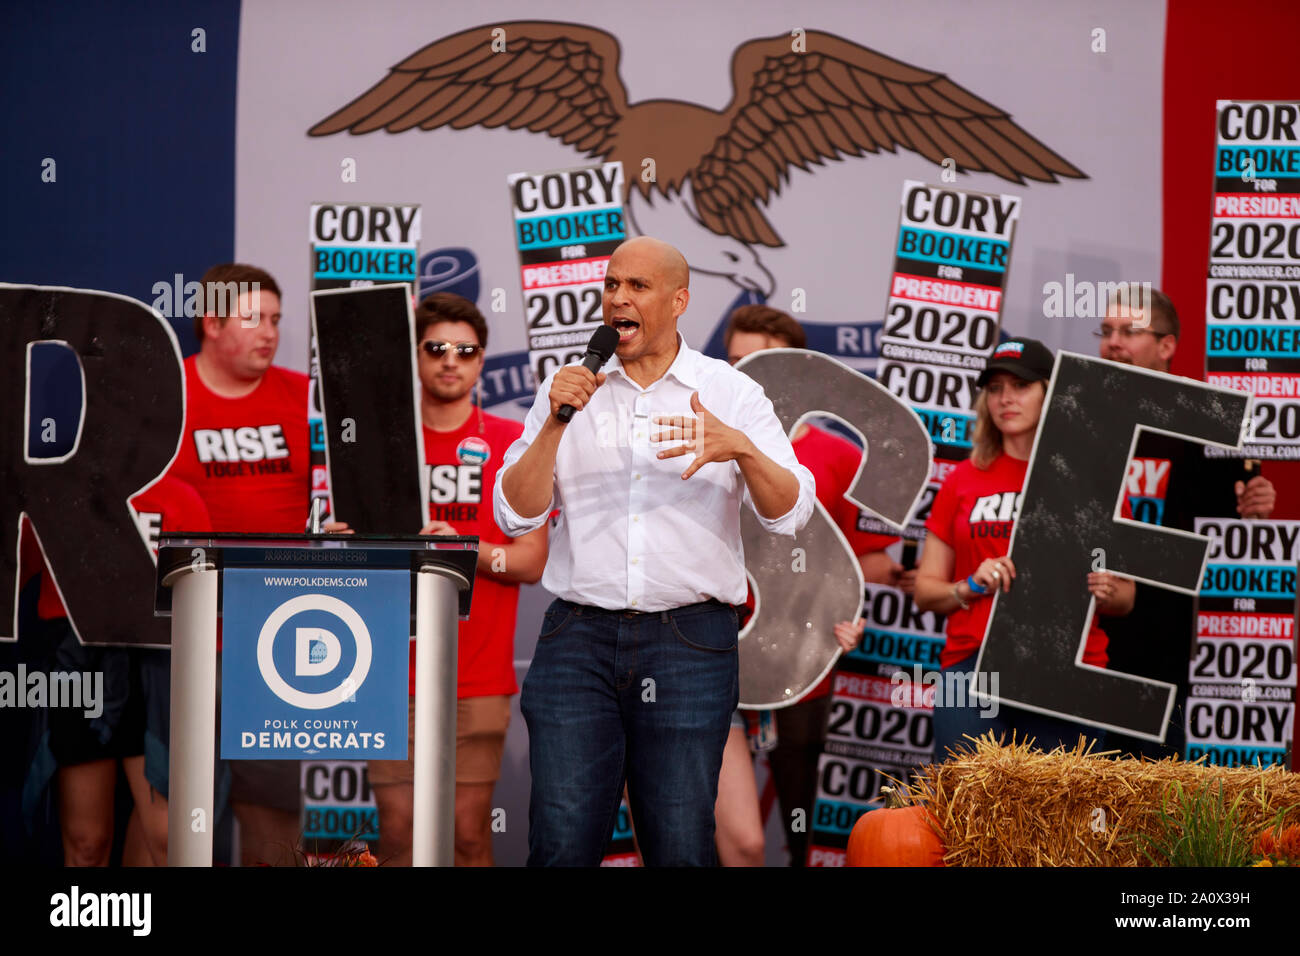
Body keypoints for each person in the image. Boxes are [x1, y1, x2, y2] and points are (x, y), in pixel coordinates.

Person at [494, 236, 815, 866]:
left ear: (679, 300)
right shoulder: (568, 388)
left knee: (679, 844)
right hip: (577, 642)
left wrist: (742, 449)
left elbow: (791, 513)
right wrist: (558, 420)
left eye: (637, 286)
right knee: (559, 841)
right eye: (612, 284)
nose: (618, 297)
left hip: (688, 644)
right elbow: (516, 512)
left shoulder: (729, 393)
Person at [342, 292, 548, 866]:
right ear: (415, 357)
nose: (450, 360)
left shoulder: (514, 445)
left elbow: (530, 562)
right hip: (385, 670)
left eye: (466, 350)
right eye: (436, 348)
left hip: (478, 672)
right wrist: (340, 541)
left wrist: (462, 548)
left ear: (482, 361)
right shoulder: (373, 443)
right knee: (400, 833)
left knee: (467, 835)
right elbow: (349, 563)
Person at [718, 305, 900, 867]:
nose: (744, 374)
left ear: (795, 366)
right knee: (702, 817)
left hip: (801, 656)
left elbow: (873, 563)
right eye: (734, 361)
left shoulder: (840, 454)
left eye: (760, 361)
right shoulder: (703, 440)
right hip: (706, 646)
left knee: (799, 810)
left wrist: (848, 609)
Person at [914, 338, 1133, 757]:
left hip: (1066, 666)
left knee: (1060, 817)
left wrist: (1107, 587)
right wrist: (970, 586)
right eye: (995, 388)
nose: (1005, 398)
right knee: (966, 810)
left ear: (1050, 393)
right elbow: (926, 591)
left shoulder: (1095, 480)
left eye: (1020, 385)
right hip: (972, 664)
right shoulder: (963, 479)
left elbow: (1126, 599)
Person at [169, 263, 312, 865]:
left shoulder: (307, 398)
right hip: (176, 638)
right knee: (168, 806)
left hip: (273, 640)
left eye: (276, 319)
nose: (270, 332)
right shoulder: (162, 395)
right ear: (210, 322)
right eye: (254, 317)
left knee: (272, 810)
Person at [1095, 288, 1275, 759]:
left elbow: (1235, 521)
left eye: (1129, 331)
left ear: (1167, 346)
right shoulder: (1082, 417)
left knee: (1153, 813)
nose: (1113, 342)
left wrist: (1255, 507)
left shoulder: (1205, 425)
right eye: (1107, 331)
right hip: (1085, 652)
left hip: (1167, 658)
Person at [20, 475, 211, 866]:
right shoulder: (54, 490)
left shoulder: (178, 497)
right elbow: (18, 568)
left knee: (167, 837)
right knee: (86, 840)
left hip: (155, 666)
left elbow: (199, 593)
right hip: (77, 660)